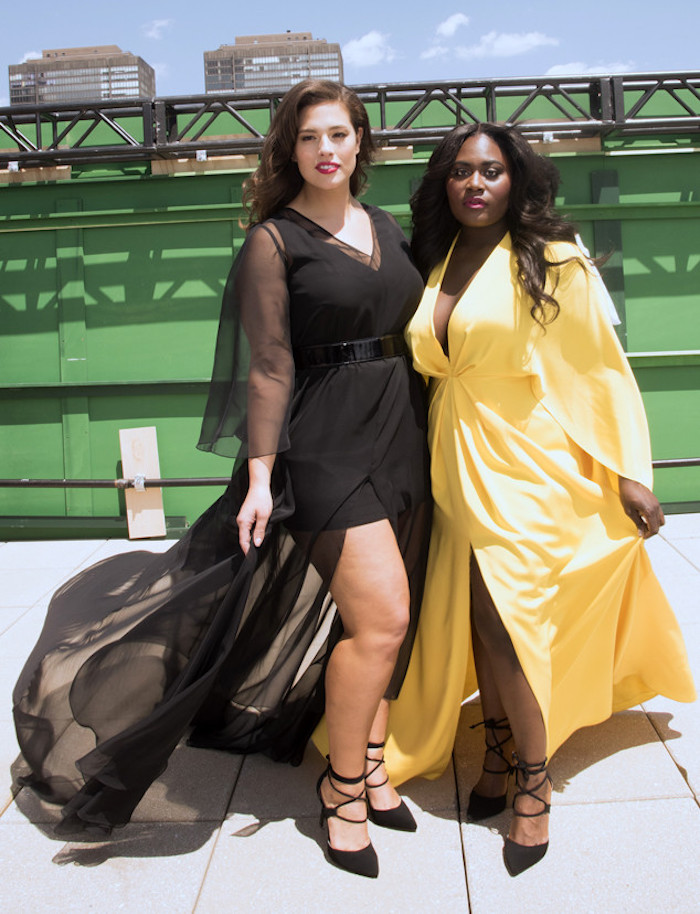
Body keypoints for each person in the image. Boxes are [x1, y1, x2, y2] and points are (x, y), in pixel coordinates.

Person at [12, 81, 431, 879]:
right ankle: (342, 792)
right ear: (290, 150)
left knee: (385, 623)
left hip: (400, 429)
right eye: (309, 137)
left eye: (339, 134)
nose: (326, 150)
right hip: (324, 443)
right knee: (383, 619)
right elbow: (269, 365)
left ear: (361, 141)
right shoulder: (275, 242)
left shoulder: (384, 225)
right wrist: (263, 476)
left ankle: (373, 767)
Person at [375, 122, 695, 876]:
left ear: (515, 179)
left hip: (528, 464)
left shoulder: (552, 258)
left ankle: (532, 782)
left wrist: (628, 471)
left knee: (505, 619)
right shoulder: (435, 259)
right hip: (455, 462)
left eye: (491, 170)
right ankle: (495, 753)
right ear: (444, 183)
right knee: (482, 622)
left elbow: (598, 368)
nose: (475, 183)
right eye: (461, 171)